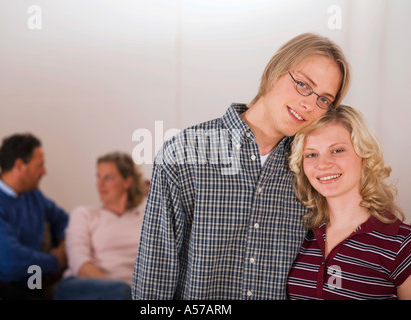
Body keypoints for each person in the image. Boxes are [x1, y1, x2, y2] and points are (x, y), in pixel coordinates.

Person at [132, 33, 352, 299]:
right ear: (274, 71)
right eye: (304, 85)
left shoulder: (313, 170)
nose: (309, 104)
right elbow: (154, 280)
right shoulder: (184, 153)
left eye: (324, 100)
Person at [287, 105, 411, 300]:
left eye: (337, 150)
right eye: (311, 154)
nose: (323, 164)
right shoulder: (299, 236)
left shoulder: (403, 244)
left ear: (364, 155)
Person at [0, 133, 69, 300]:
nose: (44, 172)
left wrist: (64, 242)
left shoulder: (33, 195)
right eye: (40, 165)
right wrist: (55, 260)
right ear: (19, 166)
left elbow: (63, 219)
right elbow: (9, 260)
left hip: (28, 279)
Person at [54, 151, 147, 300]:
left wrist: (156, 191)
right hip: (82, 286)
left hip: (129, 291)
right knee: (120, 292)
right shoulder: (84, 214)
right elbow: (80, 264)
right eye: (98, 177)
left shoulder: (145, 219)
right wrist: (119, 290)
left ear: (127, 182)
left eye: (108, 178)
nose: (100, 184)